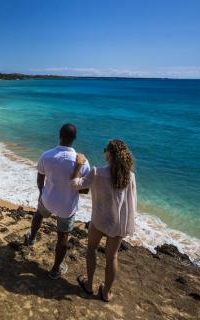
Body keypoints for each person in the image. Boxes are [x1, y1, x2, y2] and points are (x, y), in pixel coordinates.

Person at [72, 139, 137, 302]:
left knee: (92, 249)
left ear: (109, 153)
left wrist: (79, 165)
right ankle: (106, 293)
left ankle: (89, 285)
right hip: (118, 223)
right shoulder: (130, 176)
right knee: (112, 257)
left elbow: (75, 185)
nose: (104, 153)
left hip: (99, 220)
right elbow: (131, 201)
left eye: (105, 150)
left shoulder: (96, 172)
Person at [25, 124, 90, 279]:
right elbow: (84, 190)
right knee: (63, 237)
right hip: (67, 206)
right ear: (74, 138)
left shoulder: (46, 155)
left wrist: (42, 193)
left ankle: (31, 239)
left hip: (48, 199)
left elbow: (40, 178)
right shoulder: (83, 162)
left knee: (39, 214)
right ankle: (55, 269)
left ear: (59, 135)